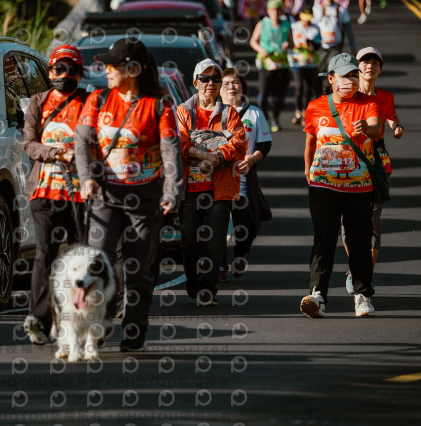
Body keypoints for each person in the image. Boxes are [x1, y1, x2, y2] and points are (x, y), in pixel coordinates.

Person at [74, 37, 183, 352]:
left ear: (133, 69)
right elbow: (82, 142)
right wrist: (86, 179)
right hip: (105, 196)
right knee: (98, 262)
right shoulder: (97, 100)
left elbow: (170, 151)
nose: (106, 71)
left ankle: (134, 331)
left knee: (137, 269)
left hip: (145, 199)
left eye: (113, 66)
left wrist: (171, 192)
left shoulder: (159, 105)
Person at [300, 52, 382, 318]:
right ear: (331, 79)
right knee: (323, 239)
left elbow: (376, 127)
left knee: (359, 241)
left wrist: (366, 128)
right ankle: (318, 296)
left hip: (359, 186)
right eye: (345, 75)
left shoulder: (368, 103)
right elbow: (310, 142)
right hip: (324, 185)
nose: (351, 80)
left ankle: (362, 295)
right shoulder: (315, 106)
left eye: (354, 75)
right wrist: (308, 171)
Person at [21, 45, 89, 344]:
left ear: (80, 73)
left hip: (81, 195)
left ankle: (80, 319)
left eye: (70, 69)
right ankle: (38, 318)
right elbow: (29, 144)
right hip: (45, 192)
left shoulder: (90, 102)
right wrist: (54, 153)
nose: (64, 74)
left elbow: (99, 139)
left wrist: (80, 154)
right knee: (45, 254)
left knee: (80, 258)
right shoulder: (38, 102)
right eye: (58, 69)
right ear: (50, 72)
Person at [176, 59, 247, 305]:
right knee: (189, 242)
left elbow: (238, 144)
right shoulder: (184, 111)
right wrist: (204, 154)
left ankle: (207, 291)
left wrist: (216, 158)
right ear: (195, 83)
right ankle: (194, 283)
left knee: (214, 243)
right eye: (204, 79)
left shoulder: (230, 113)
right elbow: (180, 144)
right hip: (189, 189)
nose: (210, 84)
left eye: (216, 79)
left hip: (219, 189)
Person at [341, 47, 404, 293]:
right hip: (349, 159)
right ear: (357, 68)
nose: (370, 66)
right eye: (365, 62)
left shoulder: (385, 97)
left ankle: (364, 272)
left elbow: (392, 116)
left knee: (372, 219)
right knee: (348, 219)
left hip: (377, 162)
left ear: (380, 70)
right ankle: (356, 267)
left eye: (375, 63)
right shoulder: (347, 96)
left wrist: (396, 127)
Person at [219, 68, 272, 280]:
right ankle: (220, 264)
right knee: (217, 223)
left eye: (235, 82)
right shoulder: (213, 113)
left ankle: (240, 254)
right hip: (218, 179)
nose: (231, 87)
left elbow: (265, 144)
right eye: (226, 83)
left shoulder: (254, 113)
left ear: (242, 86)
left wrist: (252, 159)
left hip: (244, 179)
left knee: (250, 222)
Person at [249, 0, 293, 132]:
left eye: (278, 9)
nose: (275, 12)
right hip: (266, 64)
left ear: (282, 11)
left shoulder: (287, 25)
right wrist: (261, 50)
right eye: (272, 9)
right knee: (263, 94)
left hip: (282, 64)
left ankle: (275, 118)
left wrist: (288, 45)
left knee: (279, 95)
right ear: (268, 11)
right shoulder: (262, 24)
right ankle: (265, 116)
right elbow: (253, 41)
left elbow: (292, 43)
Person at [312, 0, 357, 94]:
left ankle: (329, 95)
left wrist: (353, 47)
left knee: (332, 71)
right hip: (320, 47)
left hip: (335, 47)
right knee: (319, 72)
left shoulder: (341, 9)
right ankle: (318, 95)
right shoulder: (317, 9)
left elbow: (348, 30)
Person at [289, 7, 321, 126]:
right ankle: (297, 112)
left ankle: (304, 113)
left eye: (308, 19)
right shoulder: (294, 27)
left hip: (311, 63)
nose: (306, 22)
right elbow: (289, 41)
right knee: (299, 87)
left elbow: (318, 46)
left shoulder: (315, 28)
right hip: (296, 62)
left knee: (308, 89)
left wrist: (309, 42)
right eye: (304, 19)